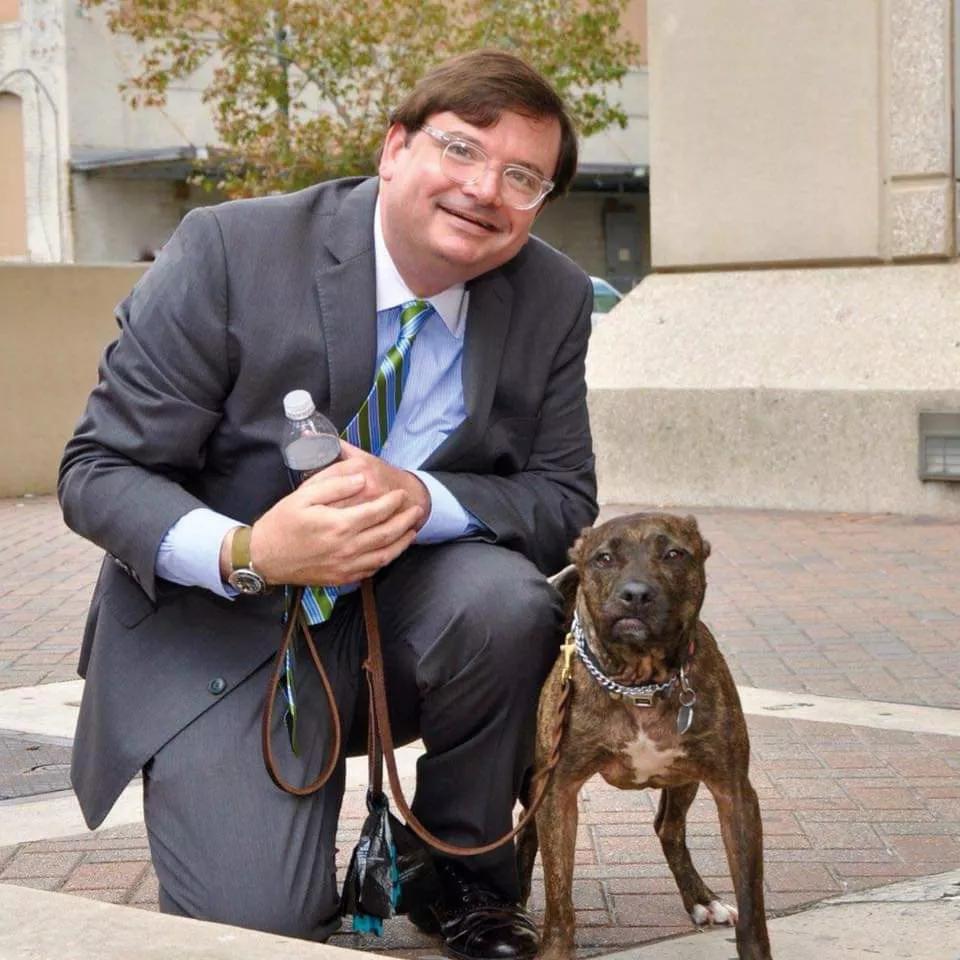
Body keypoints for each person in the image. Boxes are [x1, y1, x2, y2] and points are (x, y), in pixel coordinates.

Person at [59, 49, 597, 959]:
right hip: (225, 627)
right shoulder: (231, 250)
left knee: (509, 602)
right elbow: (98, 469)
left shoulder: (551, 295)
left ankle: (456, 871)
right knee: (260, 930)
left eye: (522, 177)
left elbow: (563, 500)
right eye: (461, 150)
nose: (484, 190)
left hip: (406, 620)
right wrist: (252, 551)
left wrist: (419, 497)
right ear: (394, 147)